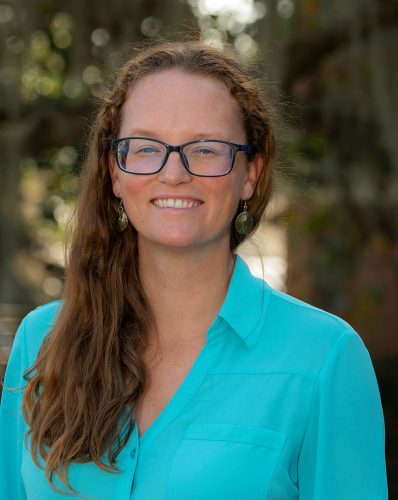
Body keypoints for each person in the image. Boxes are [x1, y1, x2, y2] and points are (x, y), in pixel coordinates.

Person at [0, 41, 388, 500]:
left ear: (250, 173)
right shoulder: (40, 342)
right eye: (145, 148)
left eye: (205, 149)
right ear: (115, 173)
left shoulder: (325, 357)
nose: (174, 172)